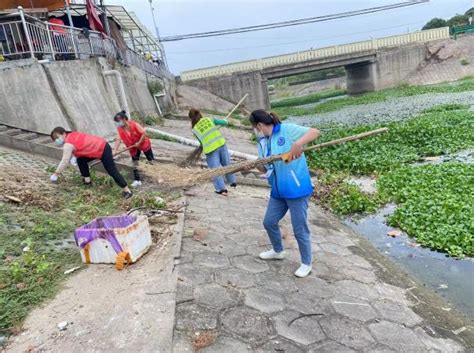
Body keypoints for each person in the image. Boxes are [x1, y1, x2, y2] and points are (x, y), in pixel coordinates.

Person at [249, 110, 320, 278]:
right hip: (278, 190)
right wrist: (253, 166)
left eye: (254, 127)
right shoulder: (262, 142)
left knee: (299, 229)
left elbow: (315, 131)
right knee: (269, 222)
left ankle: (306, 263)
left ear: (259, 125)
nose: (255, 130)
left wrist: (298, 143)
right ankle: (278, 250)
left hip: (297, 189)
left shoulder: (286, 130)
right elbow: (264, 167)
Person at [49, 127, 133, 199]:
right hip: (97, 147)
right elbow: (82, 144)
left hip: (102, 149)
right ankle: (87, 182)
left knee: (111, 170)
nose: (57, 140)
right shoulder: (72, 134)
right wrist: (75, 156)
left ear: (63, 133)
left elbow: (64, 161)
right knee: (81, 160)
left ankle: (127, 191)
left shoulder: (68, 144)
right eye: (55, 139)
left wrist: (56, 173)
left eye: (57, 137)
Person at [188, 108, 236, 195]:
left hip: (210, 149)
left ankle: (221, 189)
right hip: (221, 143)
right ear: (200, 114)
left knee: (215, 169)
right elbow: (224, 122)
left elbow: (201, 142)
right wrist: (225, 121)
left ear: (191, 119)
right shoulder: (209, 119)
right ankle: (232, 182)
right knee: (227, 164)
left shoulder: (194, 130)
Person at [113, 111, 154, 188]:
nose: (118, 123)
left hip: (143, 143)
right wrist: (115, 150)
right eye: (116, 122)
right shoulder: (120, 129)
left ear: (124, 119)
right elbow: (118, 139)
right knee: (135, 162)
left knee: (150, 159)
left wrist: (139, 142)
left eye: (119, 121)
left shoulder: (134, 124)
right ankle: (137, 180)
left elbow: (144, 133)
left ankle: (155, 174)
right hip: (133, 147)